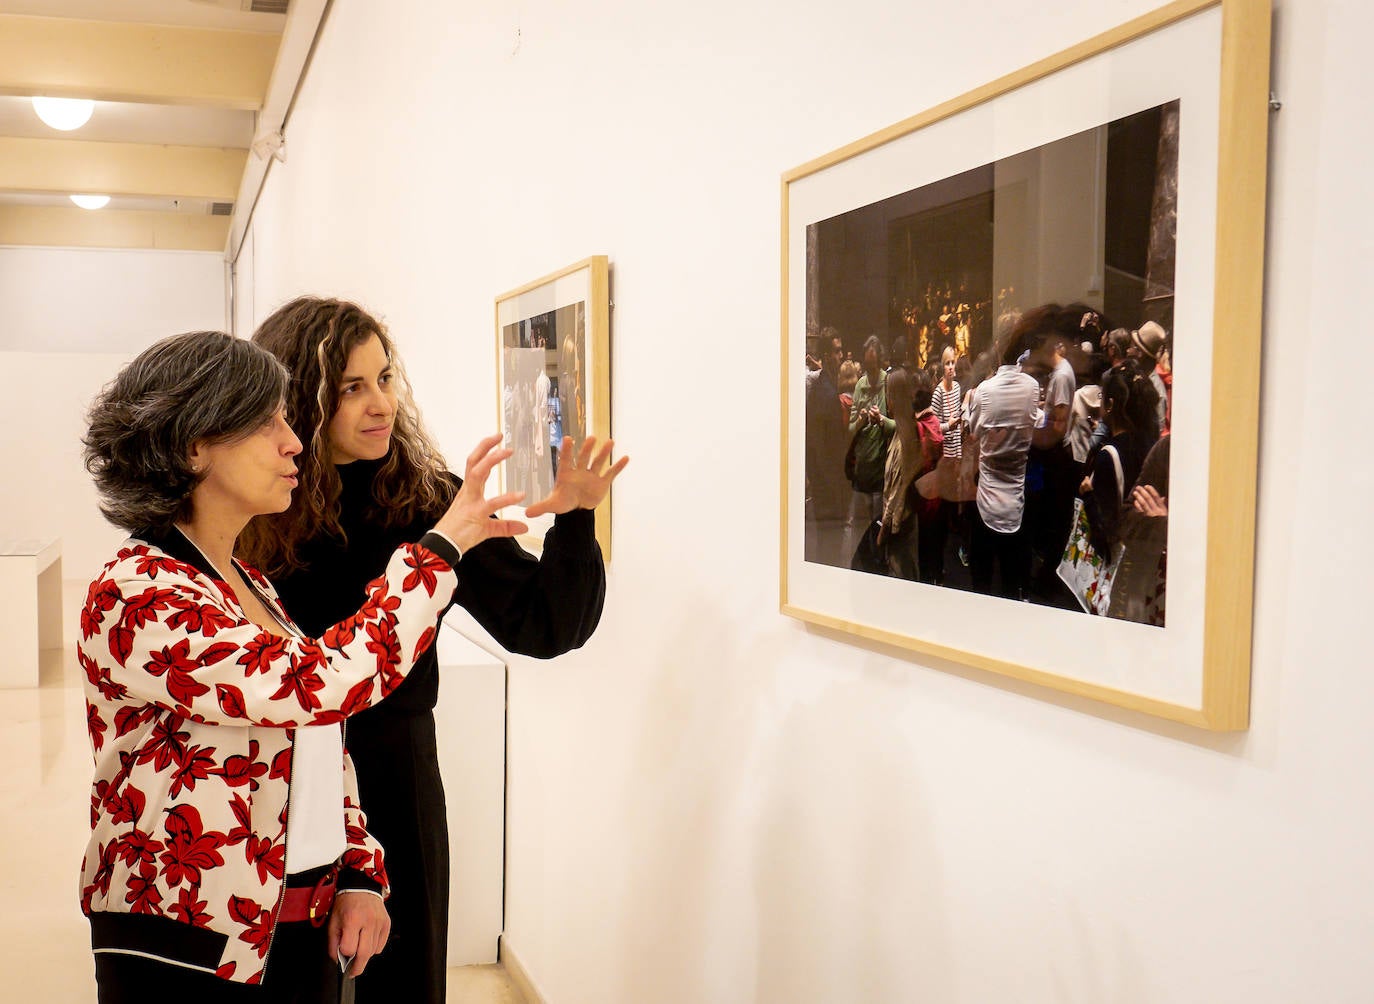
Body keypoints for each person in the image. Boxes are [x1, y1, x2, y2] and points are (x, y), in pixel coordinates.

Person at [78, 331, 544, 1002]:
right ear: (191, 446)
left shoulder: (244, 582)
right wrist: (441, 546)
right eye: (264, 422)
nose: (293, 441)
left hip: (294, 925)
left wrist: (356, 873)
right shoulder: (138, 594)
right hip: (187, 943)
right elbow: (320, 685)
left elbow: (315, 738)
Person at [241, 297, 625, 1004]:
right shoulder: (255, 509)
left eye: (385, 379)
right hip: (274, 779)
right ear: (300, 397)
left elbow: (544, 624)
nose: (380, 403)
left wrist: (574, 517)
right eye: (352, 388)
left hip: (394, 776)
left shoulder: (423, 500)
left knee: (400, 981)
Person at [967, 313, 1042, 600]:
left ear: (998, 346)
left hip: (986, 505)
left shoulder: (984, 392)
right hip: (1016, 507)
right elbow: (1039, 422)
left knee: (982, 588)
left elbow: (973, 431)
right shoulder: (1032, 388)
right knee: (1012, 589)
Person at [843, 334, 891, 564]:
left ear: (880, 363)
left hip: (880, 468)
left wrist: (881, 419)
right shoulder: (861, 384)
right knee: (855, 523)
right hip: (861, 467)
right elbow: (851, 429)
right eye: (867, 367)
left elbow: (897, 427)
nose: (870, 373)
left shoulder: (888, 382)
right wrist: (861, 420)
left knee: (877, 522)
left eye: (873, 367)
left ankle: (878, 564)